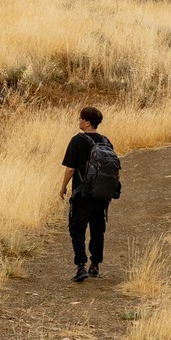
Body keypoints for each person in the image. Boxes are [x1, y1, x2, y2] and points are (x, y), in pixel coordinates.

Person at [59, 105, 119, 282]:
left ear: (87, 122)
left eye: (81, 118)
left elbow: (70, 169)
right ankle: (95, 265)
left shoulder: (77, 141)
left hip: (82, 194)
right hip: (101, 194)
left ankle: (81, 266)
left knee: (77, 230)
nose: (79, 121)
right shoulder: (105, 141)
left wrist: (63, 187)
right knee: (97, 230)